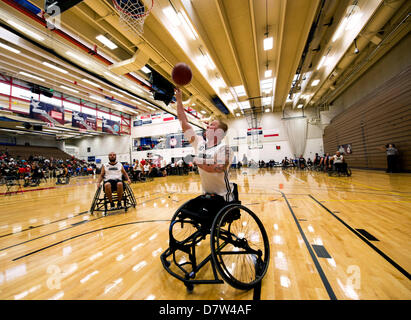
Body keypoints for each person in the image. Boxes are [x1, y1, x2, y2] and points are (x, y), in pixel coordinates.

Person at [175, 88, 234, 203]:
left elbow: (218, 168)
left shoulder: (225, 149)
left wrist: (196, 160)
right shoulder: (200, 143)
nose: (207, 126)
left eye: (212, 125)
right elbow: (184, 123)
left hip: (223, 199)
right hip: (207, 196)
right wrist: (179, 100)